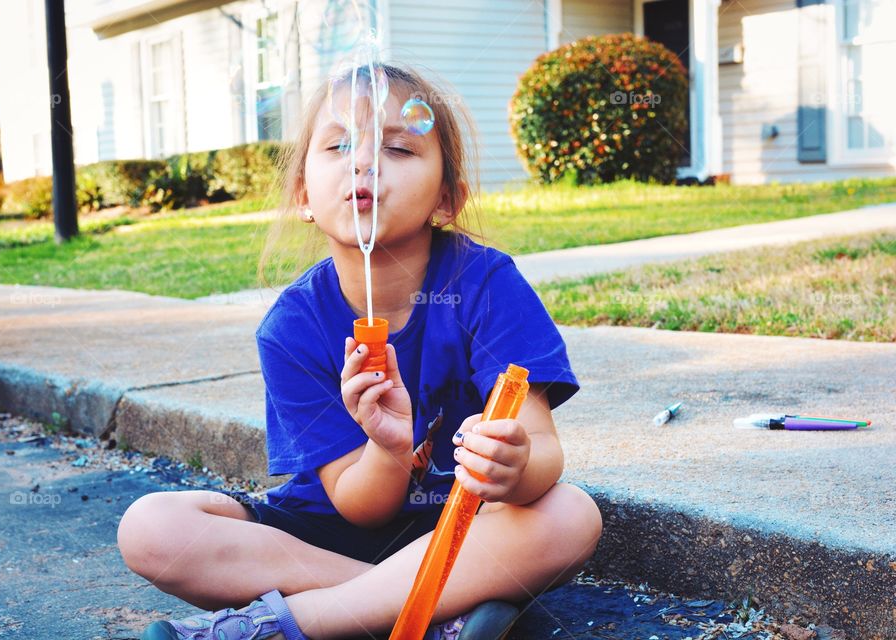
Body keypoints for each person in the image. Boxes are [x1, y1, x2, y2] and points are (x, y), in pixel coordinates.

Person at [117, 62, 603, 640]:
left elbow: (543, 451)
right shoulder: (293, 325)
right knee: (151, 527)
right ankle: (435, 613)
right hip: (324, 534)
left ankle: (296, 624)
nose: (363, 162)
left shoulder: (486, 286)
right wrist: (388, 447)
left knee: (571, 515)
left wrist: (515, 464)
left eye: (399, 148)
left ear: (446, 200)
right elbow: (359, 505)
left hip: (462, 530)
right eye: (340, 144)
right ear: (303, 193)